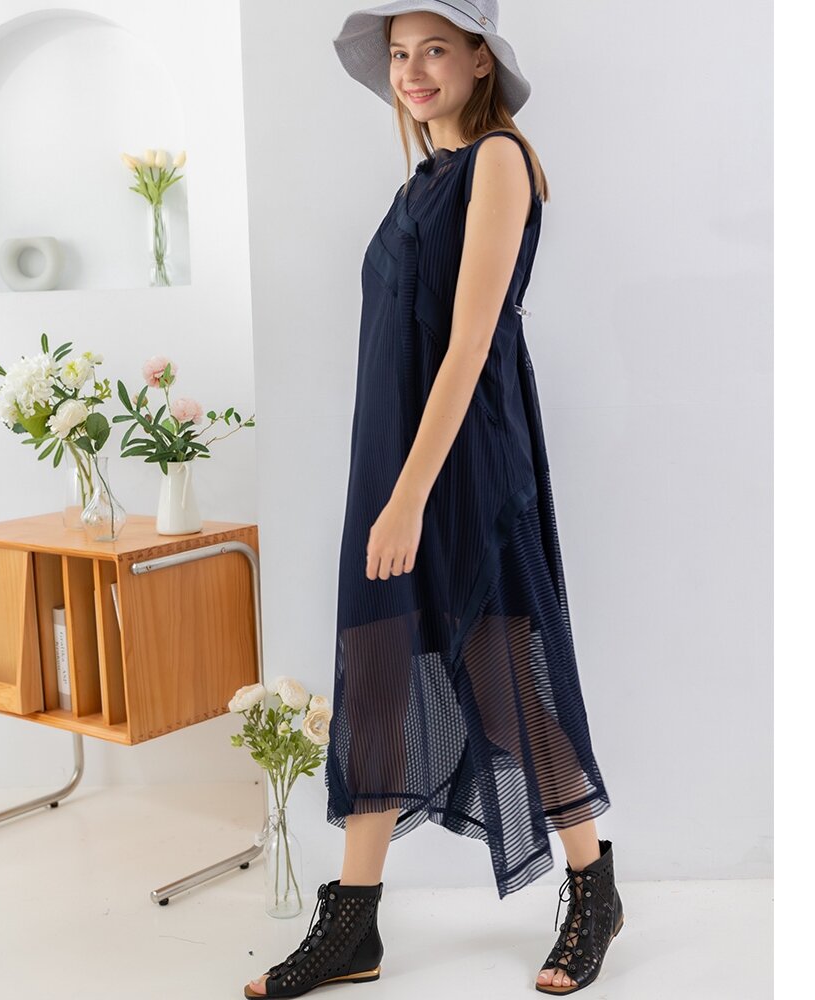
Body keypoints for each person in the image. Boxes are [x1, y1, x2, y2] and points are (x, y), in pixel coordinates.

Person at [244, 2, 623, 996]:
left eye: (435, 50)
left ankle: (593, 888)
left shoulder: (498, 160)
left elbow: (470, 344)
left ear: (481, 60)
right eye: (400, 54)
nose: (412, 71)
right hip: (393, 462)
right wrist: (391, 483)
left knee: (504, 673)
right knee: (375, 671)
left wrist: (411, 495)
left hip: (464, 462)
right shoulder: (420, 181)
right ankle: (354, 922)